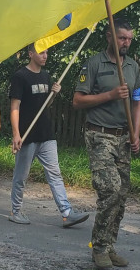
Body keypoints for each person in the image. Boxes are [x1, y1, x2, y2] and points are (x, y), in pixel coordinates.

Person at [72, 20, 140, 269]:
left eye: (129, 39)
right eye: (122, 38)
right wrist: (110, 95)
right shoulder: (94, 64)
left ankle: (109, 244)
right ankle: (99, 247)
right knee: (110, 189)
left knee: (122, 195)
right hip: (99, 134)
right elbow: (78, 101)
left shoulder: (133, 66)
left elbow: (138, 101)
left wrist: (135, 132)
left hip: (124, 136)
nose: (126, 42)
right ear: (109, 38)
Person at [8, 43, 90, 227]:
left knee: (55, 174)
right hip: (27, 135)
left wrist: (53, 94)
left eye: (46, 52)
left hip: (46, 133)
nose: (45, 56)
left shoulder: (46, 76)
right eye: (41, 52)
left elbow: (46, 105)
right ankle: (15, 210)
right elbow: (15, 107)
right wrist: (16, 134)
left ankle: (66, 212)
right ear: (31, 54)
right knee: (21, 176)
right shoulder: (20, 77)